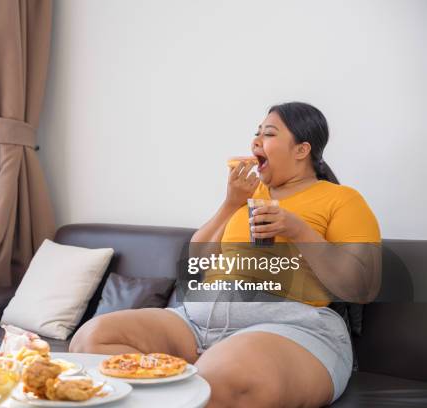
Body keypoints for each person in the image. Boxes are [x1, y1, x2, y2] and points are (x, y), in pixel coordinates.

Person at [70, 102, 381, 407]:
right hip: (196, 322)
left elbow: (362, 287)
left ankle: (205, 374)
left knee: (222, 378)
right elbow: (193, 265)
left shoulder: (342, 200)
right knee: (91, 341)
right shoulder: (246, 199)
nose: (255, 141)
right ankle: (197, 374)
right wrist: (231, 204)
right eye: (256, 133)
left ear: (301, 149)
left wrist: (298, 230)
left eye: (268, 134)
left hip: (293, 327)